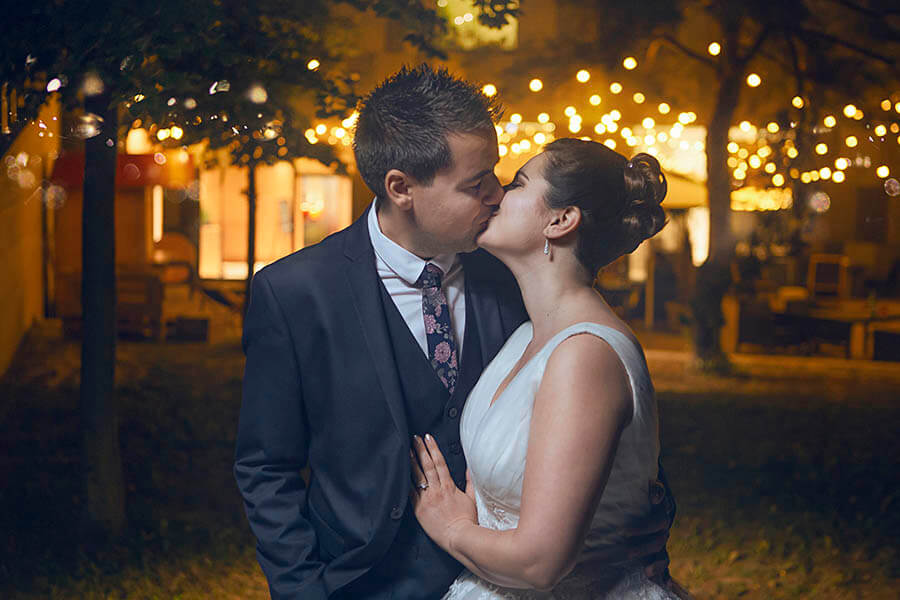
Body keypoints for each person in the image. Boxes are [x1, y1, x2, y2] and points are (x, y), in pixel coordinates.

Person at [235, 64, 673, 600]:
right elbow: (266, 465)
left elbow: (597, 427)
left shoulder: (516, 277)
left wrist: (638, 519)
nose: (494, 193)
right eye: (475, 183)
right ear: (402, 188)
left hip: (504, 579)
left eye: (498, 175)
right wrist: (303, 590)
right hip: (360, 583)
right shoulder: (296, 292)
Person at [410, 139, 683, 599]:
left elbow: (539, 564)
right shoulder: (525, 335)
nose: (495, 194)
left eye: (517, 183)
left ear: (561, 220)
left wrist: (454, 527)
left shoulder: (585, 354)